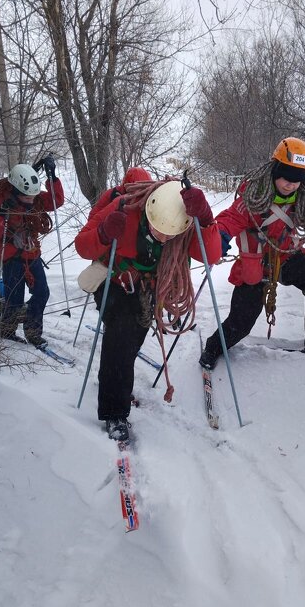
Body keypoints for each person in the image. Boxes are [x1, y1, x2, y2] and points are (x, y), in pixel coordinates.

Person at [199, 136, 305, 368]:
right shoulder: (253, 196)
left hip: (285, 256)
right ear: (275, 170)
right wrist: (219, 235)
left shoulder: (303, 199)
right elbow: (231, 218)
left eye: (298, 179)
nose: (291, 184)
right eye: (287, 177)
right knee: (242, 321)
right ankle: (214, 347)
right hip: (256, 260)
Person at [75, 175, 220, 441]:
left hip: (147, 289)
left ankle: (115, 379)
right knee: (121, 333)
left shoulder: (186, 221)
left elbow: (210, 255)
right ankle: (114, 412)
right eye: (158, 229)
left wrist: (207, 219)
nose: (163, 236)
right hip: (114, 282)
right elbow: (83, 246)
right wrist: (104, 233)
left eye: (169, 233)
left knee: (131, 340)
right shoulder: (124, 208)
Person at [0, 159, 65, 347]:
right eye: (27, 197)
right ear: (17, 191)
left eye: (33, 196)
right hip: (10, 256)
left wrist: (53, 178)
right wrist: (1, 214)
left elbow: (56, 200)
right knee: (14, 299)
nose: (31, 200)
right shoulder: (1, 201)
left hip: (31, 253)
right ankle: (6, 331)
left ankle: (33, 331)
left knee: (42, 292)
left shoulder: (34, 197)